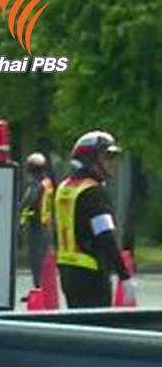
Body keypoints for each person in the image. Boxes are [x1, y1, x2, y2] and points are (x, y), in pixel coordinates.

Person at [53, 131, 136, 308]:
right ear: (91, 160)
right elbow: (105, 236)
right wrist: (124, 276)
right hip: (91, 274)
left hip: (67, 272)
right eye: (108, 157)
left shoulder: (64, 187)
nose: (113, 163)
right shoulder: (93, 192)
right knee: (97, 330)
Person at [19, 152, 55, 288]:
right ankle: (43, 288)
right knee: (44, 258)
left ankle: (39, 288)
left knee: (36, 259)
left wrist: (21, 221)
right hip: (47, 224)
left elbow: (27, 204)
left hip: (37, 226)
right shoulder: (48, 183)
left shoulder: (35, 185)